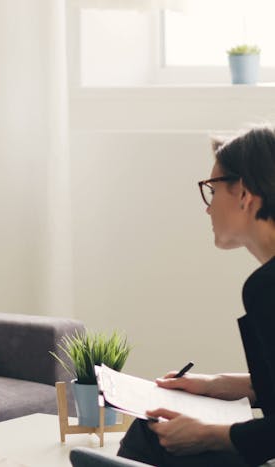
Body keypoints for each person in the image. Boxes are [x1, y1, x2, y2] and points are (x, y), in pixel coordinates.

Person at [117, 126, 275, 467]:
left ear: (245, 194)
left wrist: (208, 434)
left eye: (212, 189)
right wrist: (213, 385)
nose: (207, 208)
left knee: (151, 434)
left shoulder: (267, 286)